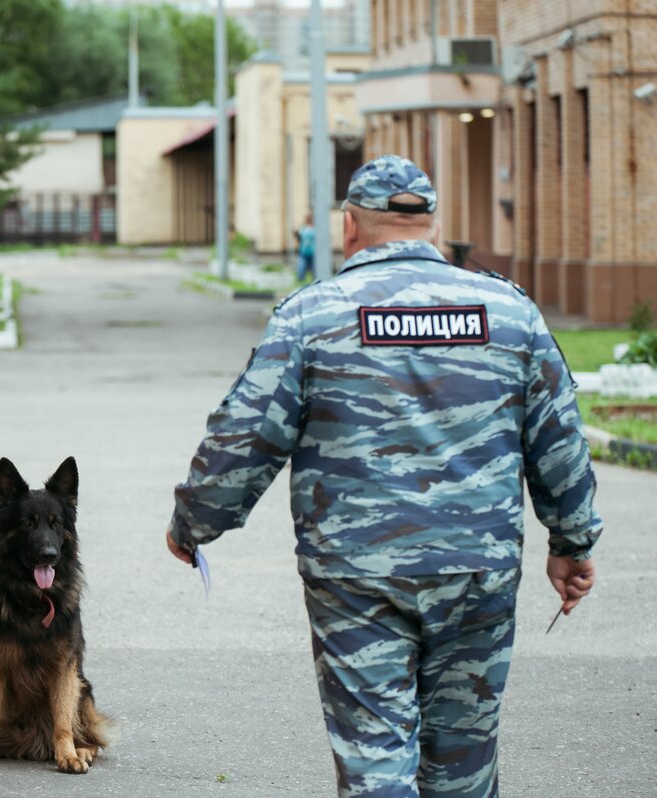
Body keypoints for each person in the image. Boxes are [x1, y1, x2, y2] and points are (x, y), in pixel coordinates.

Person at [166, 154, 602, 797]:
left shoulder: (312, 316)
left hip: (356, 576)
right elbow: (558, 437)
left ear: (349, 227)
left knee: (375, 761)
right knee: (464, 764)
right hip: (475, 568)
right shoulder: (508, 312)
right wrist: (572, 542)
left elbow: (246, 435)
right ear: (430, 224)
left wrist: (195, 522)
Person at [294, 211, 315, 282]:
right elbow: (298, 237)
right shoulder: (303, 228)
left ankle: (315, 279)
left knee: (314, 268)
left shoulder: (315, 228)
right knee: (301, 268)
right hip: (303, 251)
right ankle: (301, 280)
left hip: (313, 252)